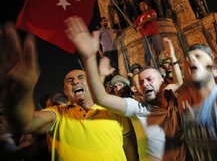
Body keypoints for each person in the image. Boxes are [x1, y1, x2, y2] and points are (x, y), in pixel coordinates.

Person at [1, 25, 138, 161]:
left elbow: (130, 150)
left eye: (81, 77)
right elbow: (25, 123)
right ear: (65, 90)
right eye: (70, 80)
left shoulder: (115, 111)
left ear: (91, 83)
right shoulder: (58, 114)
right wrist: (21, 93)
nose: (75, 82)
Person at [65, 16, 186, 160]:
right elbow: (101, 98)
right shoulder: (137, 108)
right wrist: (89, 58)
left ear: (162, 82)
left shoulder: (172, 99)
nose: (145, 84)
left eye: (149, 79)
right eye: (141, 82)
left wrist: (174, 59)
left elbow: (179, 83)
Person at [134, 1, 164, 67]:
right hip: (144, 36)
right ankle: (149, 67)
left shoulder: (151, 11)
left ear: (147, 5)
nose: (143, 6)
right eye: (141, 5)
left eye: (144, 4)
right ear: (140, 8)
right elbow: (134, 26)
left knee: (160, 50)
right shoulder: (139, 17)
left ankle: (163, 65)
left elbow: (154, 16)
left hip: (154, 33)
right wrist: (136, 27)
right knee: (147, 53)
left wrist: (143, 22)